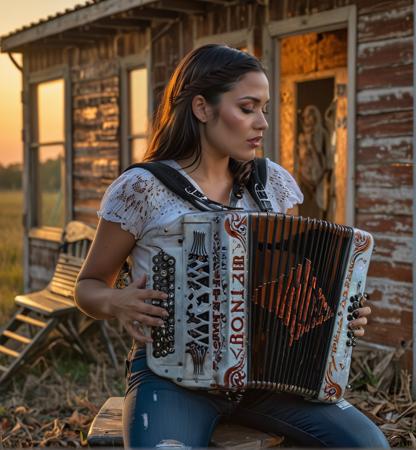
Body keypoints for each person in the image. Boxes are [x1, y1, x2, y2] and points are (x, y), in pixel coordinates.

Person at [75, 44, 389, 449]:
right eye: (247, 108)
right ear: (202, 108)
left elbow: (292, 282)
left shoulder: (272, 184)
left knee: (369, 445)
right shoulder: (143, 189)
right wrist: (116, 302)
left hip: (268, 379)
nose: (261, 123)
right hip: (173, 379)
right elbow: (88, 286)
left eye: (265, 108)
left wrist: (340, 313)